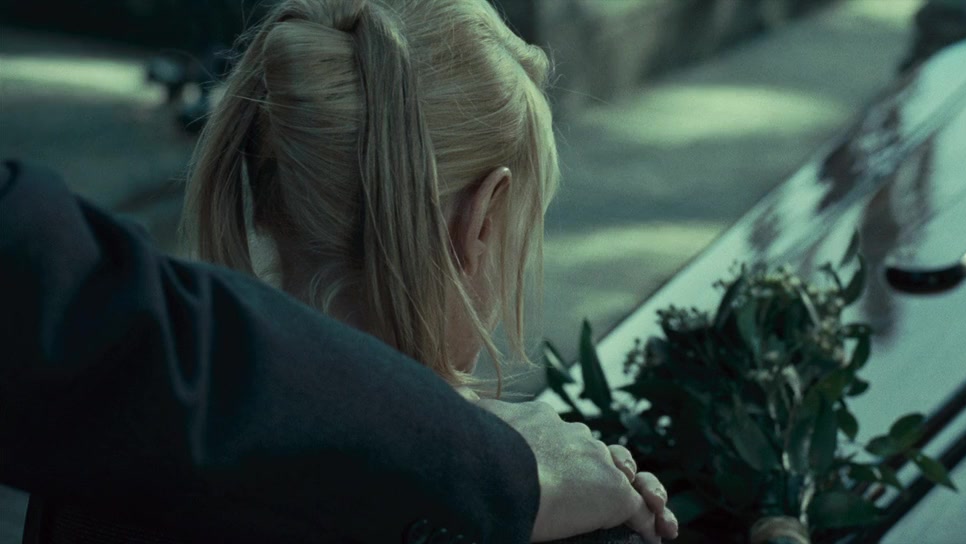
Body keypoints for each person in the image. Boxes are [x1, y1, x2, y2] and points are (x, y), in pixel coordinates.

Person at [175, 0, 675, 540]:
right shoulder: (515, 509)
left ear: (267, 198)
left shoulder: (168, 427)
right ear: (479, 223)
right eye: (514, 239)